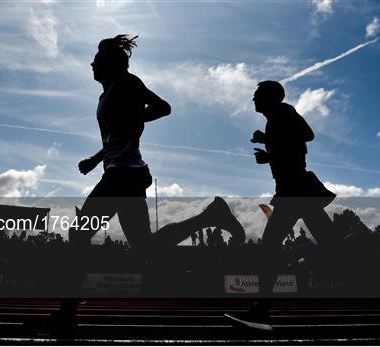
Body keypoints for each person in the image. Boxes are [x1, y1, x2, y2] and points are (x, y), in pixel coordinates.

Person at [49, 34, 246, 338]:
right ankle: (210, 216)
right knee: (145, 246)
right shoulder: (106, 95)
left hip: (123, 174)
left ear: (111, 65)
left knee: (78, 234)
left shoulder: (128, 83)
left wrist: (137, 115)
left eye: (96, 60)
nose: (91, 64)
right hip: (122, 170)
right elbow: (119, 135)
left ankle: (67, 314)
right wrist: (95, 157)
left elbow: (163, 107)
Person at [228, 80, 336, 327]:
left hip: (294, 189)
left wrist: (270, 149)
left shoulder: (283, 112)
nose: (253, 99)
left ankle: (261, 310)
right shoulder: (276, 117)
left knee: (269, 250)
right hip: (293, 189)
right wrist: (269, 146)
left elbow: (306, 136)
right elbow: (292, 146)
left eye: (257, 95)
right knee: (330, 244)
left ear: (271, 97)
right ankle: (361, 252)